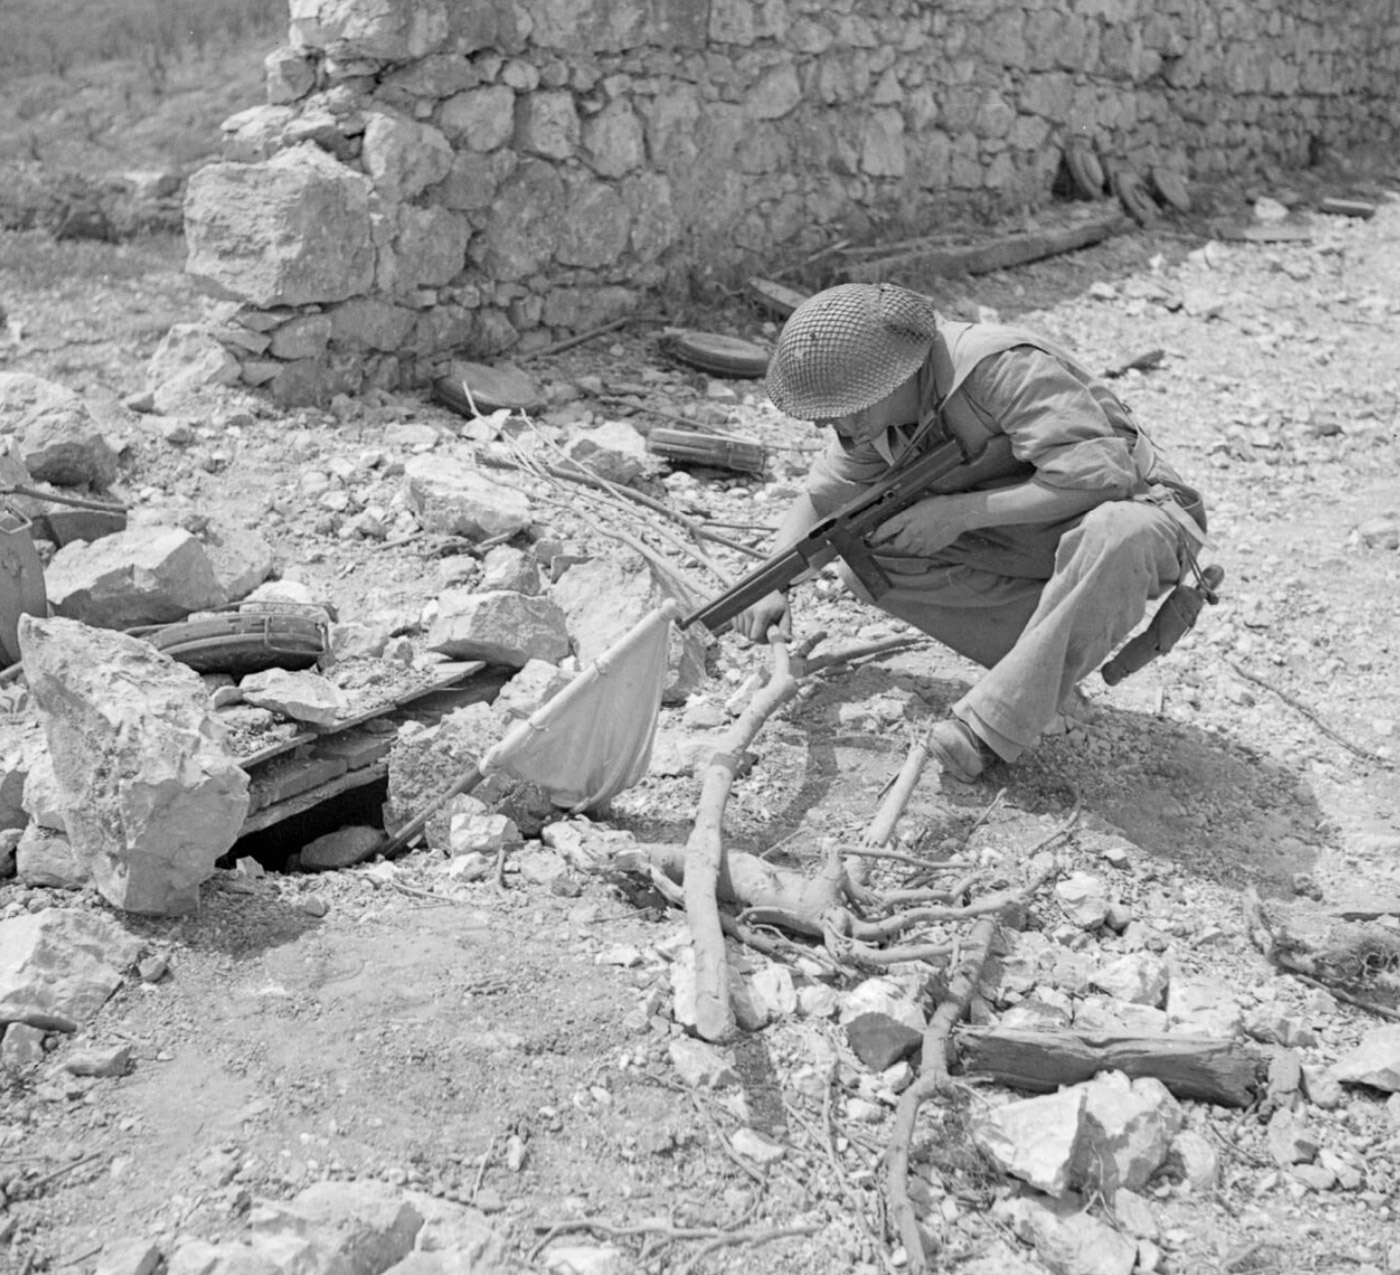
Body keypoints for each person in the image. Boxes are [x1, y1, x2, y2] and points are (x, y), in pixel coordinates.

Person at [734, 282, 1210, 782]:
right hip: (1040, 535)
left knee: (1118, 529)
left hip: (1139, 519)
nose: (826, 425)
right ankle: (1039, 678)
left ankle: (988, 730)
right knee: (867, 554)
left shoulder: (1000, 367)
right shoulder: (878, 418)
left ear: (890, 377)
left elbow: (1099, 476)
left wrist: (959, 514)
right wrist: (771, 581)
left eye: (840, 407)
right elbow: (821, 500)